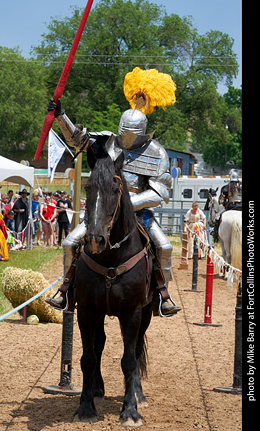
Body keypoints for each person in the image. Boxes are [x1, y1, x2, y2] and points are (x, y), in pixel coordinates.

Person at [46, 66, 181, 316]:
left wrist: (129, 204)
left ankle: (162, 296)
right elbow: (78, 138)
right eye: (124, 133)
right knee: (70, 242)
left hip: (139, 214)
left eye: (132, 134)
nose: (126, 138)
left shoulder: (157, 153)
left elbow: (159, 193)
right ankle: (66, 289)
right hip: (104, 210)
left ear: (142, 133)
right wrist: (61, 116)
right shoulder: (109, 141)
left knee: (164, 246)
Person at [212, 171, 242, 242]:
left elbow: (221, 201)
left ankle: (215, 233)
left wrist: (224, 202)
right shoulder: (241, 186)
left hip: (231, 206)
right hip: (241, 206)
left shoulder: (227, 187)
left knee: (218, 218)